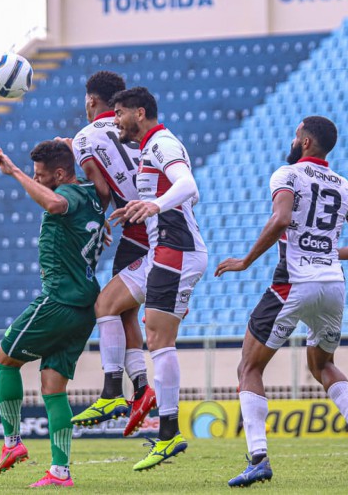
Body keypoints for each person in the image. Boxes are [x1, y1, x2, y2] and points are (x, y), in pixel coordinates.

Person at [215, 116, 348, 487]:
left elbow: (281, 220)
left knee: (249, 368)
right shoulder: (346, 187)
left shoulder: (288, 175)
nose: (293, 142)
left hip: (293, 282)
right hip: (333, 286)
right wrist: (327, 254)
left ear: (306, 142)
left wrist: (245, 261)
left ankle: (258, 457)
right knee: (323, 365)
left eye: (296, 136)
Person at [0, 140, 106, 488]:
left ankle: (12, 443)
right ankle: (61, 471)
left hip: (58, 301)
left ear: (59, 174)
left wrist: (14, 172)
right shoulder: (92, 195)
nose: (37, 181)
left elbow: (56, 202)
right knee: (53, 387)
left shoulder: (67, 197)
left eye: (42, 176)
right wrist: (74, 146)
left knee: (4, 359)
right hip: (85, 307)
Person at [109, 87, 208, 471]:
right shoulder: (150, 147)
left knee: (160, 341)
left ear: (140, 111)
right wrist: (142, 207)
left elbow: (188, 186)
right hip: (167, 251)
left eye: (119, 113)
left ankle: (169, 434)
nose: (116, 120)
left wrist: (155, 204)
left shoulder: (164, 143)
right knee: (153, 336)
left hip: (176, 251)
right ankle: (167, 432)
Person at [64, 71, 157, 437]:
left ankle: (111, 391)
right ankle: (140, 390)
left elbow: (101, 191)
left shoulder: (85, 137)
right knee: (124, 311)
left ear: (91, 101)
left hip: (141, 230)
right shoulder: (136, 130)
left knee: (105, 305)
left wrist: (90, 220)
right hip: (147, 226)